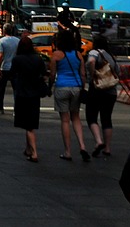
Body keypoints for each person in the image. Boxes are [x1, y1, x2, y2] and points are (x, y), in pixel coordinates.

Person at [51, 27, 91, 162]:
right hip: (76, 87)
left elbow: (52, 74)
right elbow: (83, 74)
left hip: (61, 87)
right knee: (76, 117)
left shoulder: (56, 55)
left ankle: (68, 151)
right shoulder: (78, 55)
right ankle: (82, 145)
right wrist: (82, 87)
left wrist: (49, 86)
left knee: (65, 120)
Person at [10, 35, 48, 162]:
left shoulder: (17, 59)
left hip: (22, 93)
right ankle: (28, 148)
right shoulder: (38, 59)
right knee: (30, 124)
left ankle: (34, 153)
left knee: (28, 126)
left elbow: (12, 74)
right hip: (35, 94)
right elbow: (44, 74)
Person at [84, 33, 120, 158]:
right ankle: (107, 147)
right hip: (111, 91)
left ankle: (98, 141)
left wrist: (93, 73)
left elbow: (91, 61)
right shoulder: (111, 56)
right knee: (106, 118)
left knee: (91, 116)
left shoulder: (94, 53)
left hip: (97, 90)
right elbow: (117, 71)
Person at [0, 22, 20, 114]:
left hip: (5, 67)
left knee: (2, 88)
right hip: (14, 67)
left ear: (4, 30)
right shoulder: (17, 40)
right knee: (16, 89)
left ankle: (0, 107)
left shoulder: (2, 41)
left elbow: (0, 55)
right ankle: (16, 109)